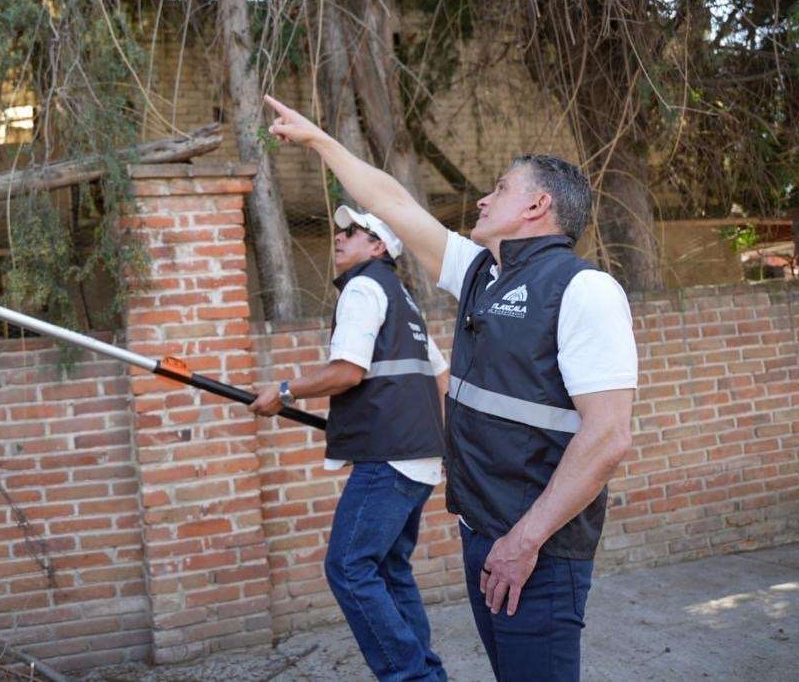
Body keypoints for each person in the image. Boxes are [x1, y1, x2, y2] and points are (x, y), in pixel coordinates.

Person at [263, 94, 636, 682]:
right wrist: (320, 142)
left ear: (537, 205)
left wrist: (524, 541)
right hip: (483, 532)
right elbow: (392, 202)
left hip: (536, 547)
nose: (483, 198)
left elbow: (609, 437)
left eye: (501, 188)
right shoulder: (480, 273)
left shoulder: (584, 289)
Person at [250, 205, 450, 682]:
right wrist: (443, 444)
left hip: (389, 460)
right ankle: (426, 673)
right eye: (341, 231)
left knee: (349, 567)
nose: (339, 237)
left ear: (378, 247)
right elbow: (441, 375)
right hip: (416, 457)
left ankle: (413, 677)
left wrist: (284, 391)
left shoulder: (363, 289)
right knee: (390, 569)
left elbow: (347, 371)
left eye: (354, 231)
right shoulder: (402, 298)